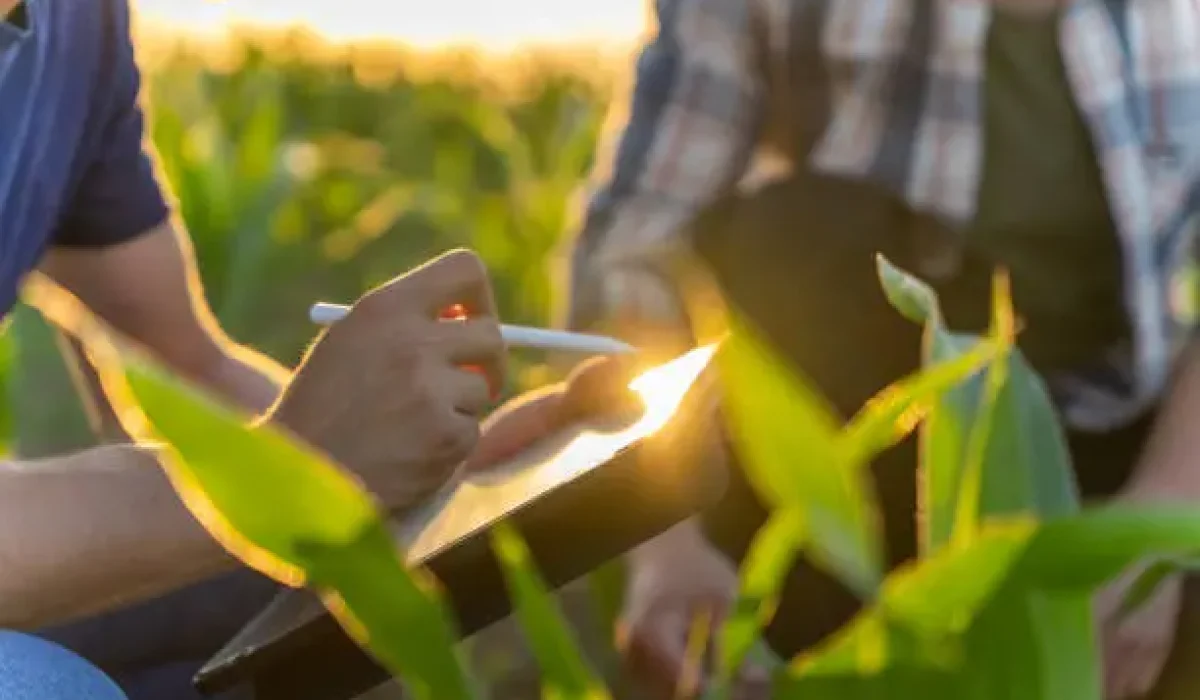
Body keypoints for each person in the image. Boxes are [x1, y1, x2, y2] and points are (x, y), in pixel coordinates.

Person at [474, 0, 1200, 698]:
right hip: (849, 445)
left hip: (1117, 444)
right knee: (801, 234)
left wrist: (1154, 534)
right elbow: (634, 258)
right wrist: (666, 545)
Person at [0, 0, 508, 697]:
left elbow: (186, 364)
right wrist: (286, 470)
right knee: (47, 687)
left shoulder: (77, 26)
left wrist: (451, 480)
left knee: (311, 607)